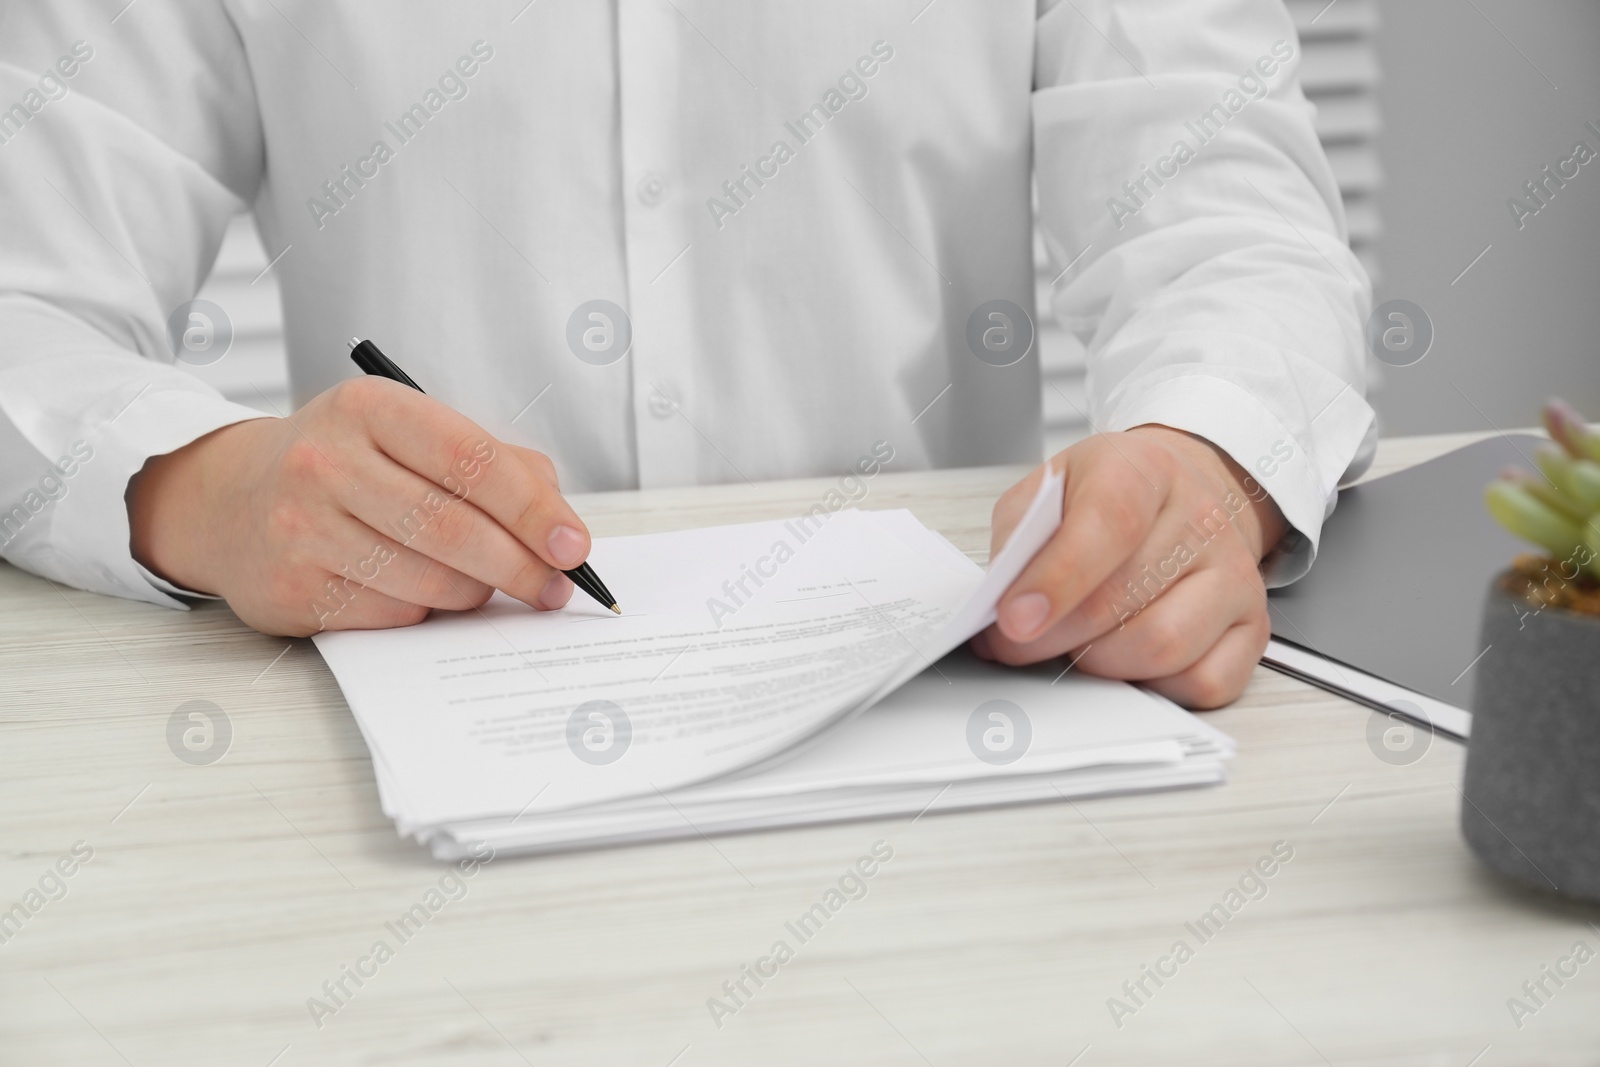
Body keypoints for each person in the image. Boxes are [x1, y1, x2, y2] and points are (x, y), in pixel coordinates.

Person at [0, 1, 1374, 709]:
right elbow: (27, 302)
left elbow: (1236, 233)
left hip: (958, 728)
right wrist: (201, 486)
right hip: (432, 729)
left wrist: (1206, 457)